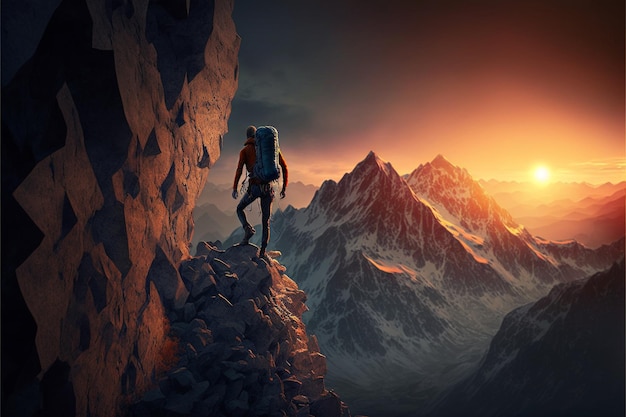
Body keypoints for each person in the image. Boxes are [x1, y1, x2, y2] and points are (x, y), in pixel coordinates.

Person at [232, 125, 288, 258]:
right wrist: (284, 187)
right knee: (265, 220)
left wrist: (235, 188)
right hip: (268, 189)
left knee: (240, 209)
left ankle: (248, 230)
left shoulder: (245, 151)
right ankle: (263, 251)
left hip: (255, 188)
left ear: (247, 137)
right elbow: (284, 167)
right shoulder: (270, 151)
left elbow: (239, 170)